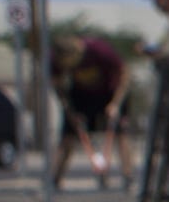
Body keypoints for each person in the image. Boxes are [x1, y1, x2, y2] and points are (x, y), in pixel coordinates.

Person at [54, 33, 130, 189]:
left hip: (110, 92)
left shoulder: (99, 50)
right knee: (68, 135)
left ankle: (128, 176)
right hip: (81, 96)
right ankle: (55, 179)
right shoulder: (55, 59)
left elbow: (124, 73)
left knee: (120, 133)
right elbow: (57, 86)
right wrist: (70, 112)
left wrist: (115, 104)